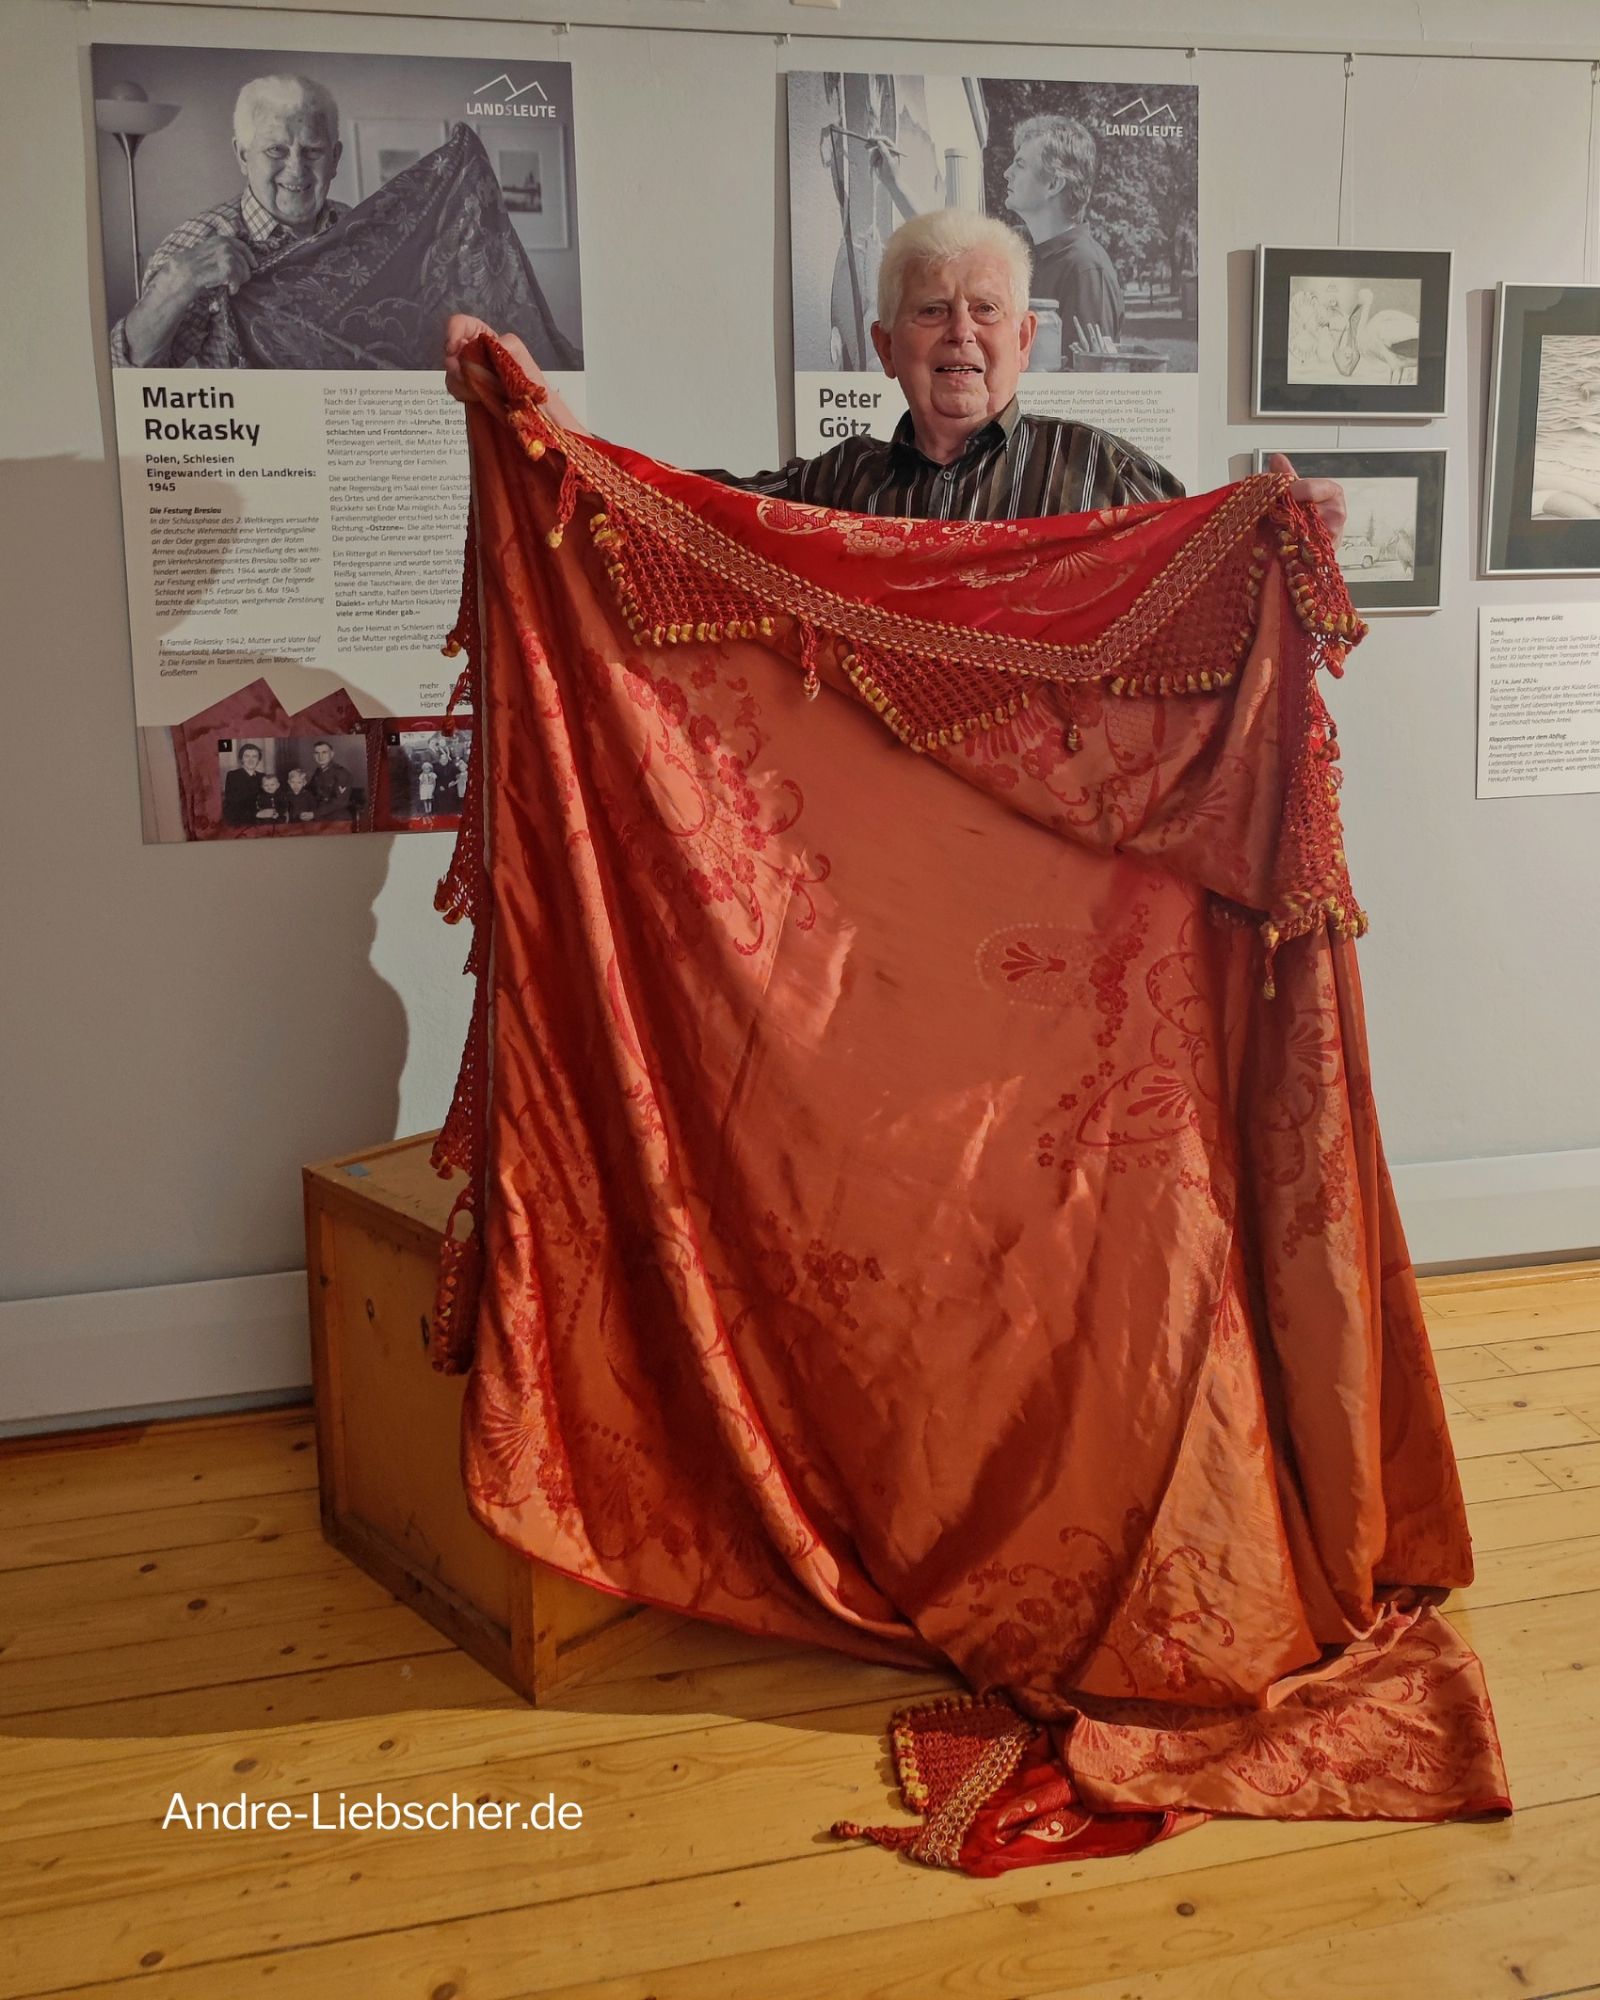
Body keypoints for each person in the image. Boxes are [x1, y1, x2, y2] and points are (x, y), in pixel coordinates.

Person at [445, 209, 1344, 537]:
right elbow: (680, 511)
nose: (962, 333)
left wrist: (1286, 533)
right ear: (884, 346)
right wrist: (540, 411)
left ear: (1025, 337)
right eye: (931, 311)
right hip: (879, 858)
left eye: (985, 310)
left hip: (1045, 861)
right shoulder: (839, 484)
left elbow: (1209, 573)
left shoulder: (1103, 475)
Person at [110, 75, 346, 368]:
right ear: (243, 156)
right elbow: (132, 369)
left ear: (335, 158)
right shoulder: (197, 241)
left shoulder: (363, 228)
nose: (297, 169)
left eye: (313, 151)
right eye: (276, 150)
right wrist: (177, 282)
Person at [1001, 115, 1123, 362]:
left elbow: (1088, 379)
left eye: (1020, 165)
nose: (1007, 173)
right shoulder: (1021, 248)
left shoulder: (1086, 270)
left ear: (1053, 184)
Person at [221, 741, 266, 825]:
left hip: (261, 819)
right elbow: (233, 803)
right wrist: (256, 814)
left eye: (254, 756)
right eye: (247, 756)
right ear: (241, 759)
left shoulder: (263, 777)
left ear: (258, 760)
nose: (251, 760)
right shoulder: (233, 775)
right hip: (240, 819)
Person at [307, 739, 353, 821]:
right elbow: (310, 792)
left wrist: (314, 814)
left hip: (337, 816)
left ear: (331, 754)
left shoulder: (342, 773)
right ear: (314, 756)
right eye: (317, 753)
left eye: (324, 752)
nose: (320, 756)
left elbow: (339, 803)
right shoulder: (317, 772)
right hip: (318, 814)